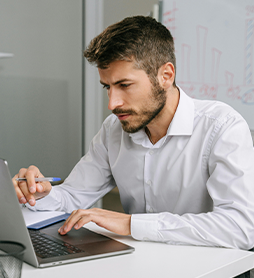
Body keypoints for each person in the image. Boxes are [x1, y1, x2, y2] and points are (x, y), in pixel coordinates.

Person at [13, 16, 254, 251]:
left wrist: (131, 224)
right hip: (138, 263)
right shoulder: (113, 129)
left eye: (124, 85)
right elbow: (73, 196)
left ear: (165, 76)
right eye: (107, 87)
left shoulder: (222, 127)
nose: (113, 103)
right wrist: (39, 194)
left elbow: (241, 228)